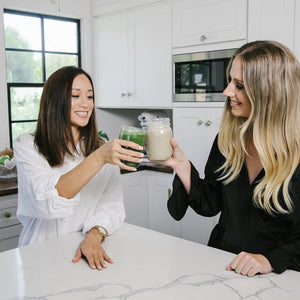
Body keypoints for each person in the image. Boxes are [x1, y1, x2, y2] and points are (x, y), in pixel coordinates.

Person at [162, 41, 300, 276]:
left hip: (281, 277)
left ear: (269, 92)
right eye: (230, 81)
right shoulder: (229, 139)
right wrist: (184, 168)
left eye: (239, 86)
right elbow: (211, 204)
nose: (227, 92)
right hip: (224, 263)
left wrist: (270, 260)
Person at [14, 66, 144, 270]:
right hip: (38, 255)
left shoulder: (101, 147)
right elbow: (48, 200)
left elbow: (111, 206)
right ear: (55, 101)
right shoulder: (27, 146)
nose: (86, 104)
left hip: (85, 254)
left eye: (90, 96)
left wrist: (94, 236)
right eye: (75, 96)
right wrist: (99, 157)